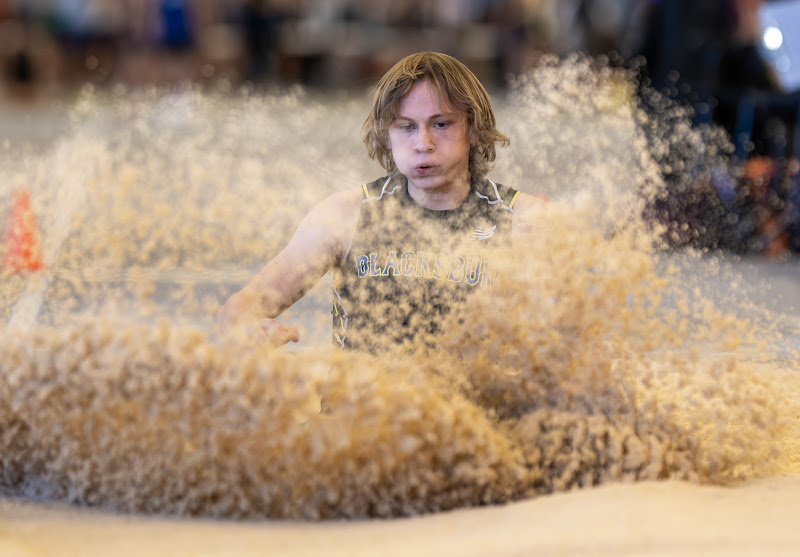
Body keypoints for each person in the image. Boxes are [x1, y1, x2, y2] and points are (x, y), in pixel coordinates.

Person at [218, 51, 542, 353]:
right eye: (406, 127)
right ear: (387, 136)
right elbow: (240, 308)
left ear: (473, 128)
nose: (423, 143)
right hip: (361, 413)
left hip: (468, 414)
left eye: (441, 124)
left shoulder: (524, 221)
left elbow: (576, 345)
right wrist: (249, 329)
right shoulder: (344, 217)